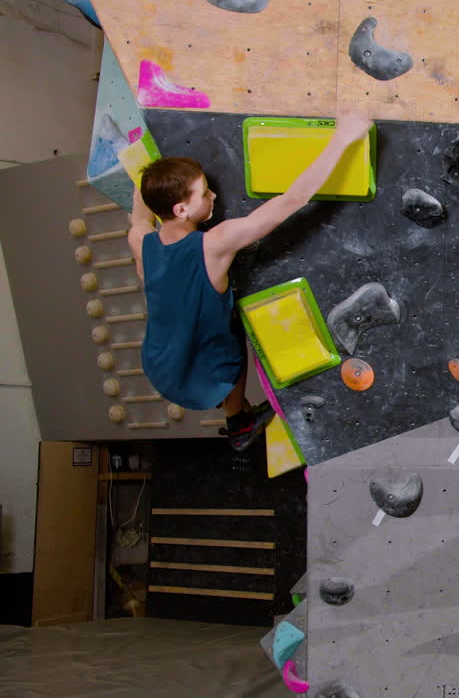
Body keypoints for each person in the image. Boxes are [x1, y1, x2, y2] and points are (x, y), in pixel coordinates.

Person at [127, 110, 373, 451]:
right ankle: (239, 424)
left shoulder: (141, 241)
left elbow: (139, 213)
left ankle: (238, 417)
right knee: (232, 340)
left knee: (224, 334)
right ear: (181, 210)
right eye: (204, 193)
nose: (213, 195)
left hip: (160, 360)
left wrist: (147, 167)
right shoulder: (214, 244)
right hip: (203, 366)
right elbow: (292, 201)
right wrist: (342, 138)